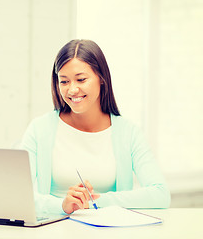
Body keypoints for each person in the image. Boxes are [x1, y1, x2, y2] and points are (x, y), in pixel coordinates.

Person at [21, 39, 171, 215]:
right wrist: (62, 205)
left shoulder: (128, 133)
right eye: (64, 81)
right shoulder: (39, 130)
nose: (72, 90)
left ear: (101, 78)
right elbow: (20, 197)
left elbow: (160, 194)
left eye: (81, 79)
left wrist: (96, 201)